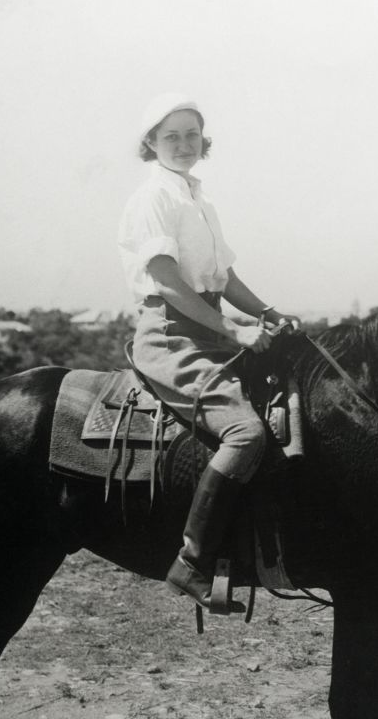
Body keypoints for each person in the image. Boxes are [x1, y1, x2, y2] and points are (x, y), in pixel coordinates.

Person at [118, 93, 300, 612]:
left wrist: (267, 313)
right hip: (172, 334)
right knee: (245, 432)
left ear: (204, 142)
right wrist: (233, 329)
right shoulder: (153, 197)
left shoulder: (198, 199)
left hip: (209, 326)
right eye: (170, 136)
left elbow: (224, 277)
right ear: (150, 143)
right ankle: (191, 562)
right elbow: (169, 283)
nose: (182, 144)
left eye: (191, 135)